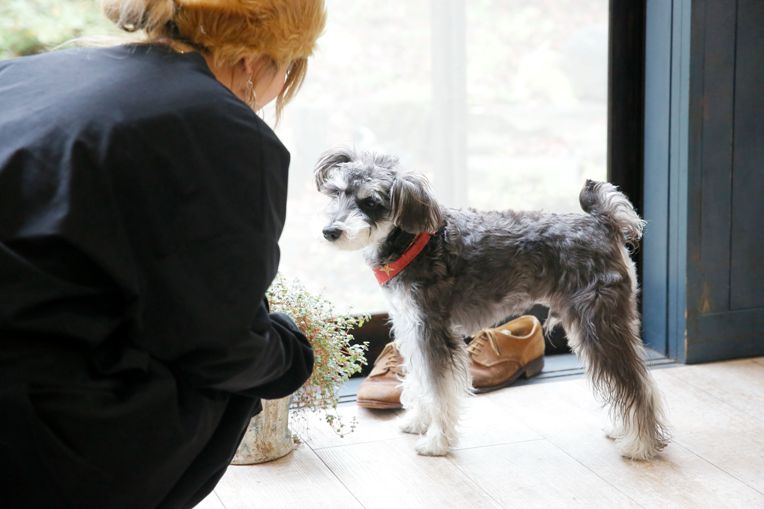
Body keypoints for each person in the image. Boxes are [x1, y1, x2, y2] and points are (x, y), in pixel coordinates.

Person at [0, 1, 326, 507]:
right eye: (289, 69)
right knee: (247, 362)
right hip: (45, 436)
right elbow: (220, 346)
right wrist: (294, 355)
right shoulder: (221, 126)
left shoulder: (23, 74)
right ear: (256, 60)